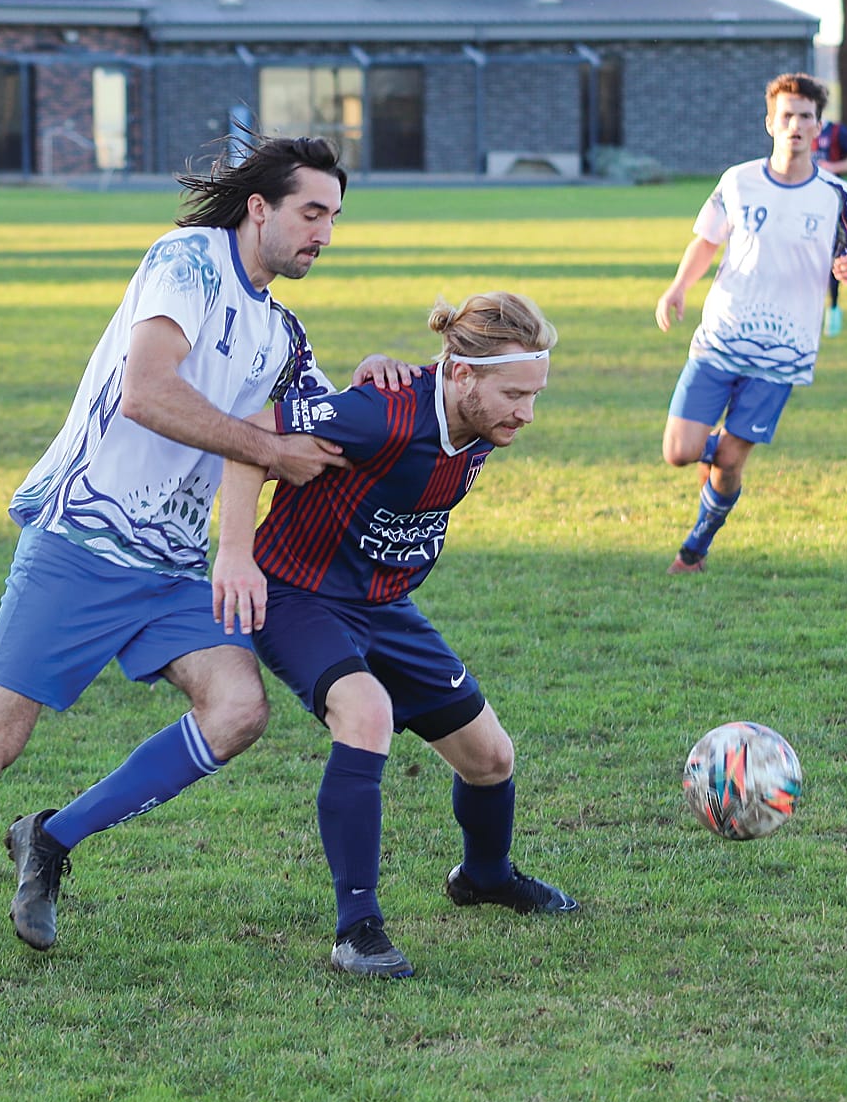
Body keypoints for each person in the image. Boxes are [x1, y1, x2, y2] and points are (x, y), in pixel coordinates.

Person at [0, 135, 417, 957]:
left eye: (334, 218)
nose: (325, 233)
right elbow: (146, 392)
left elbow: (316, 427)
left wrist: (383, 378)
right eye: (311, 213)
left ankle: (50, 840)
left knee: (237, 710)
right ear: (258, 208)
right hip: (83, 540)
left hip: (169, 564)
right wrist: (268, 452)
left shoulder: (282, 332)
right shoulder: (189, 263)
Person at [213, 291, 577, 979]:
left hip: (383, 605)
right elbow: (247, 439)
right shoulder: (380, 411)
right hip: (298, 594)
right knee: (366, 712)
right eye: (515, 394)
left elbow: (436, 384)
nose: (527, 414)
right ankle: (357, 930)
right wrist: (233, 554)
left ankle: (484, 877)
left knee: (490, 758)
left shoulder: (475, 412)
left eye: (535, 394)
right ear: (463, 375)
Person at [655, 72, 847, 576]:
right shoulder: (738, 180)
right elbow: (707, 240)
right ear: (770, 123)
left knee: (729, 462)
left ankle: (694, 549)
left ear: (819, 128)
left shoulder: (835, 194)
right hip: (720, 339)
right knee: (679, 452)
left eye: (805, 117)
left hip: (783, 354)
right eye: (787, 116)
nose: (795, 125)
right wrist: (678, 287)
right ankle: (717, 458)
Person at [814, 117, 847, 336]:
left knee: (835, 257)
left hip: (829, 202)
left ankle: (833, 308)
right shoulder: (793, 132)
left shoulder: (835, 132)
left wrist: (832, 167)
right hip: (800, 200)